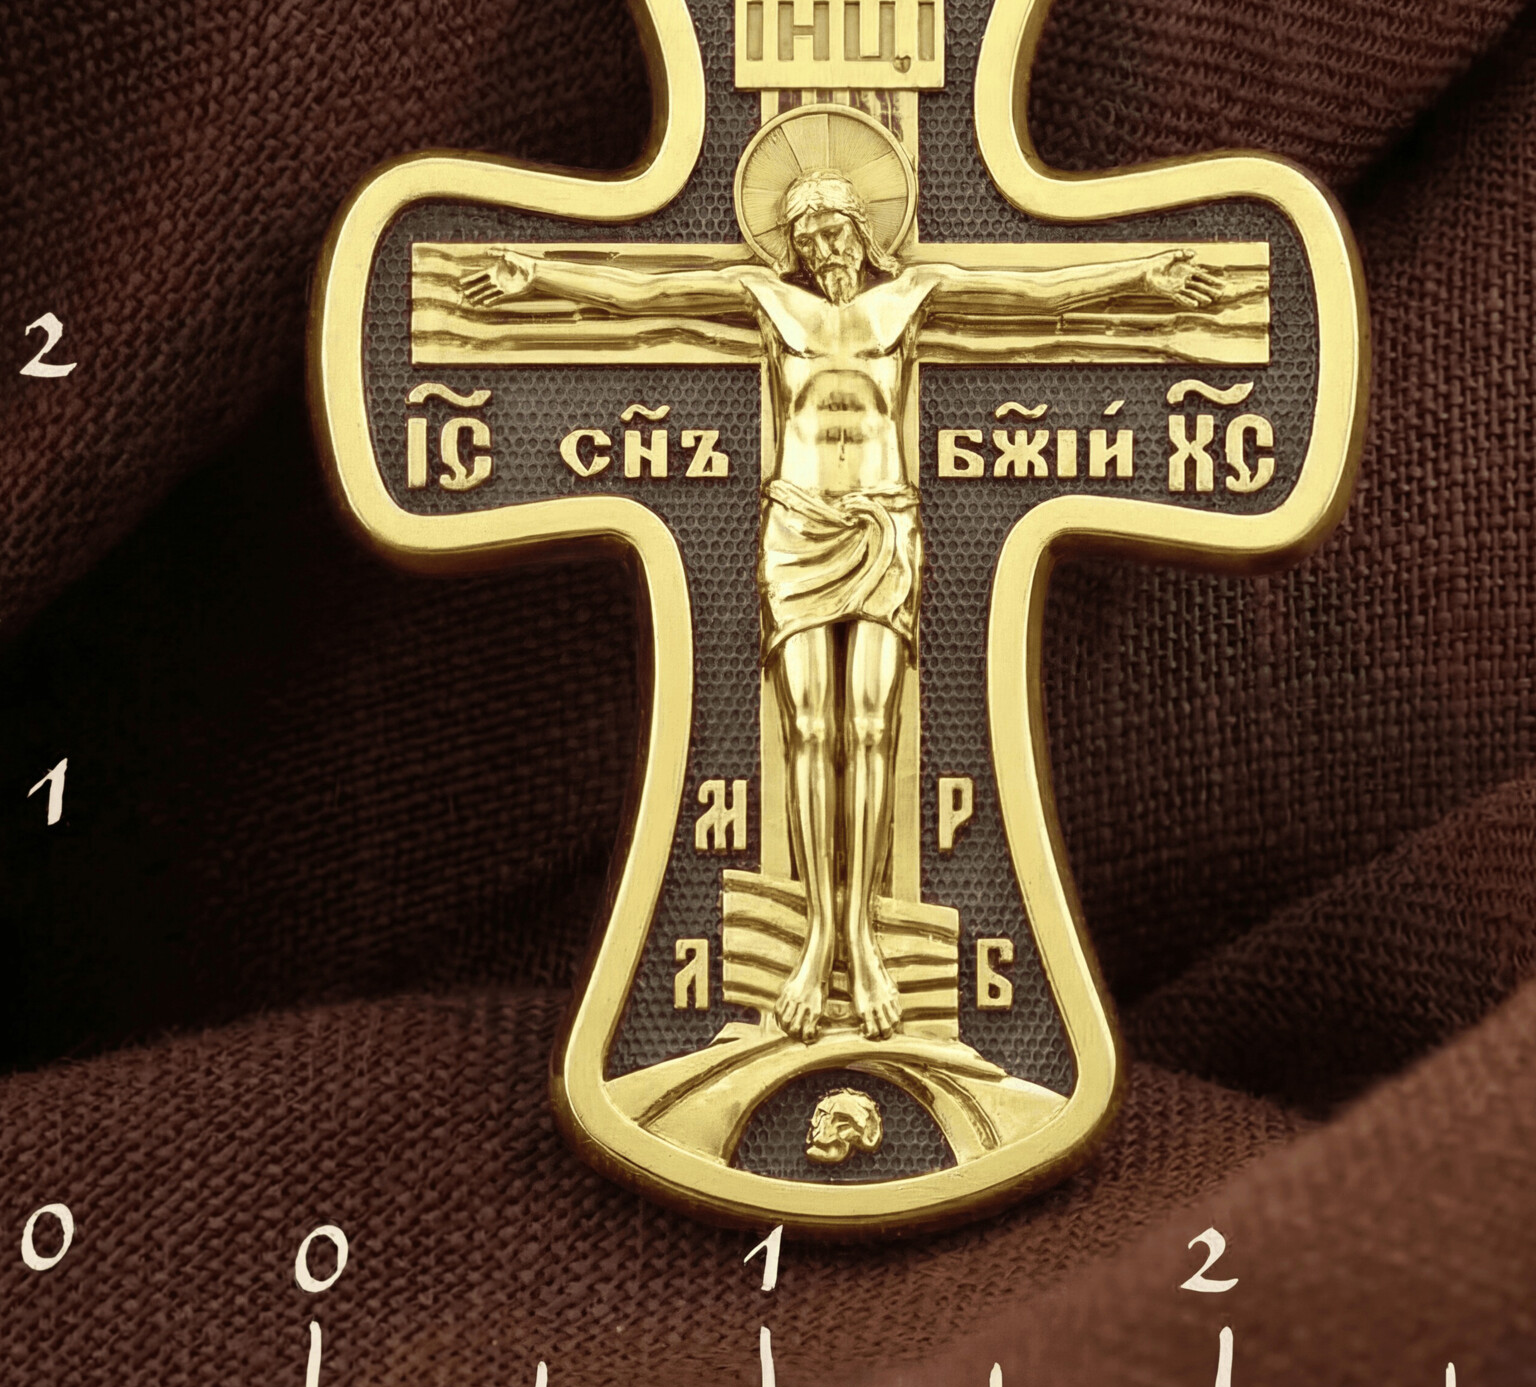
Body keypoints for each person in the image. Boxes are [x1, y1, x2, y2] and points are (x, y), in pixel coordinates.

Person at [462, 172, 1228, 1041]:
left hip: (880, 526)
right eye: (806, 234)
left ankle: (859, 940)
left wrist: (1139, 276)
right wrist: (539, 275)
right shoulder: (766, 299)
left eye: (833, 230)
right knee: (806, 730)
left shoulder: (911, 296)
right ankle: (817, 940)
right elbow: (644, 296)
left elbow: (1032, 293)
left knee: (870, 730)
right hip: (797, 528)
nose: (822, 247)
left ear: (863, 231)